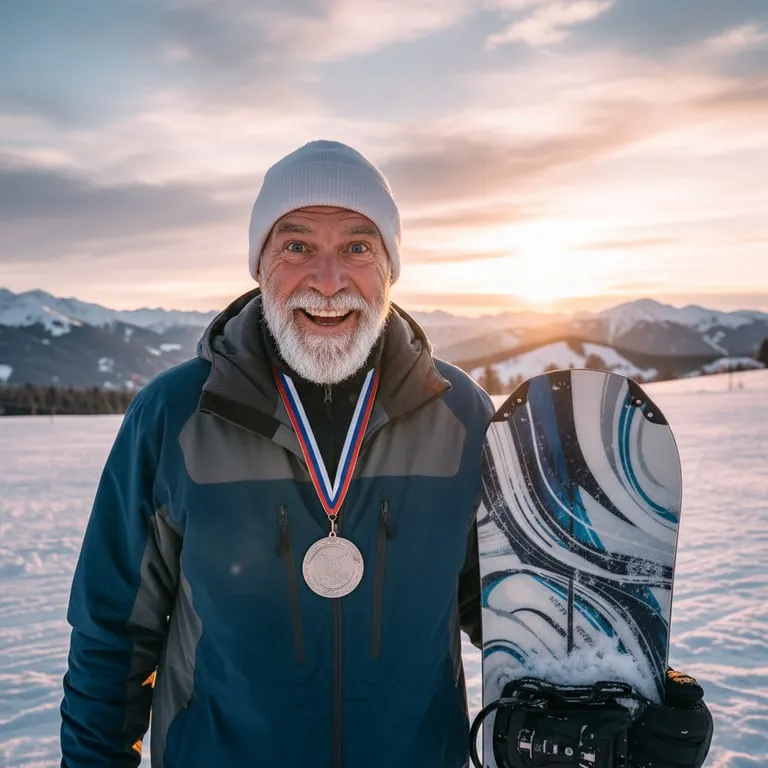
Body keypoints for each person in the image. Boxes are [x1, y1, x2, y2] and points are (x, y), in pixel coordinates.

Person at [60, 140, 712, 768]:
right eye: (296, 245)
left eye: (357, 247)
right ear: (259, 266)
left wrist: (628, 689)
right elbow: (112, 639)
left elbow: (512, 606)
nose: (328, 278)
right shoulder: (176, 416)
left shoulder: (459, 412)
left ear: (390, 269)